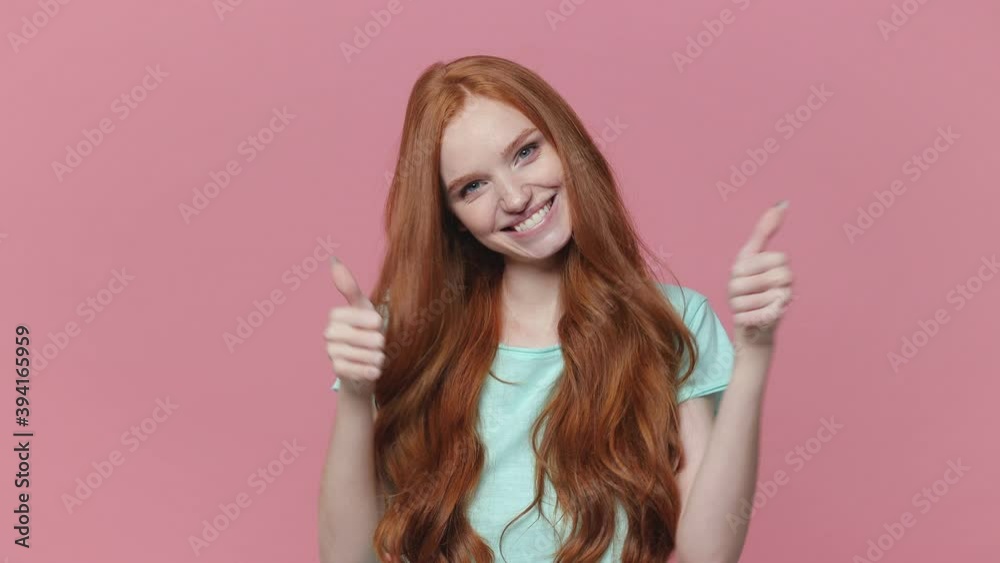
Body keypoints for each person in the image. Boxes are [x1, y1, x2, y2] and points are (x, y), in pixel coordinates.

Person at [318, 55, 794, 563]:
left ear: (565, 144)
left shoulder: (671, 321)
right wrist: (356, 395)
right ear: (452, 216)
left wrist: (754, 352)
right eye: (473, 187)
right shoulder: (412, 329)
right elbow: (345, 559)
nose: (515, 197)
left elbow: (709, 553)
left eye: (525, 152)